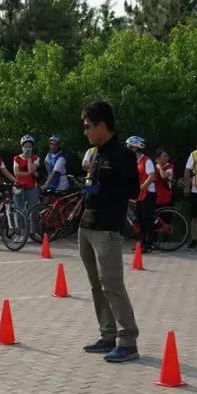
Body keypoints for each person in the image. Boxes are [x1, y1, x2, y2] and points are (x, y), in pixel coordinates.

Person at [78, 100, 140, 363]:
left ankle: (128, 341)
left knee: (112, 285)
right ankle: (108, 334)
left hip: (108, 228)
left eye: (88, 126)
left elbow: (133, 190)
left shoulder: (122, 154)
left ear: (101, 125)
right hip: (88, 224)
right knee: (96, 285)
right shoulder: (96, 153)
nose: (86, 131)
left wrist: (104, 189)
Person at [127, 136, 157, 253]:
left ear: (135, 147)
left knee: (147, 219)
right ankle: (142, 242)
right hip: (139, 193)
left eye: (129, 146)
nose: (128, 148)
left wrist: (143, 186)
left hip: (148, 192)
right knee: (140, 219)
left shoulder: (146, 160)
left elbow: (151, 176)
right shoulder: (134, 160)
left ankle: (149, 243)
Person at [13, 135, 41, 237]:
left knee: (33, 210)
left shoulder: (36, 158)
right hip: (19, 187)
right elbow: (16, 173)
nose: (28, 148)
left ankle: (34, 233)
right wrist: (30, 173)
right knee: (19, 211)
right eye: (25, 146)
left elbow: (31, 169)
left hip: (31, 187)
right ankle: (20, 234)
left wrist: (29, 159)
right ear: (22, 147)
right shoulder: (16, 158)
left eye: (30, 146)